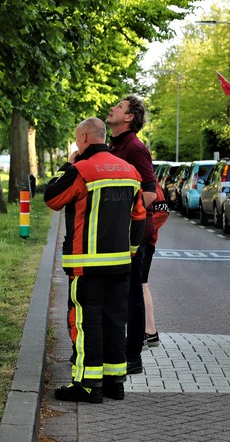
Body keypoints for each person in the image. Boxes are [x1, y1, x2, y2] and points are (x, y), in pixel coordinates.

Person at [44, 117, 146, 403]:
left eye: (78, 139)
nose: (77, 144)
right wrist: (131, 252)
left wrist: (68, 164)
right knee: (115, 321)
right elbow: (139, 218)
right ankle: (115, 382)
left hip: (87, 265)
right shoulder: (130, 172)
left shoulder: (82, 170)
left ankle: (88, 386)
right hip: (119, 264)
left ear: (86, 138)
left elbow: (52, 198)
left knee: (87, 323)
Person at [105, 95, 157, 374]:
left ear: (129, 118)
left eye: (120, 106)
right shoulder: (114, 147)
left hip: (134, 233)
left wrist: (122, 213)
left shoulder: (135, 148)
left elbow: (149, 193)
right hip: (117, 232)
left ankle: (132, 356)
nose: (113, 108)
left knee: (132, 293)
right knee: (119, 292)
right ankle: (117, 351)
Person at [143, 180, 170, 347]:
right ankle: (150, 332)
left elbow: (163, 210)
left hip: (144, 242)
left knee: (139, 285)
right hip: (142, 240)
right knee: (140, 285)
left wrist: (143, 231)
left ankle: (148, 331)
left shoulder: (148, 179)